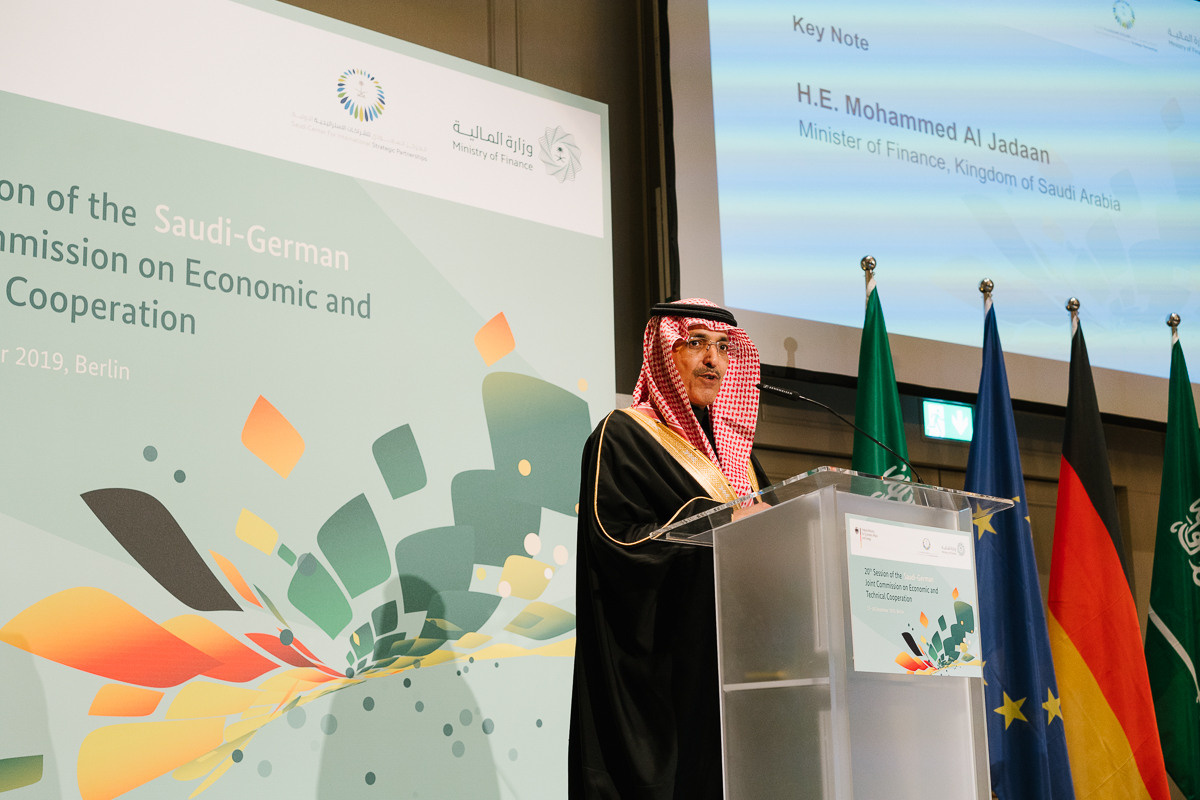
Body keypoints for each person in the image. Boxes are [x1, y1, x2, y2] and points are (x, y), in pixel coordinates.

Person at [568, 298, 769, 799]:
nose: (713, 361)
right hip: (660, 683)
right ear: (663, 353)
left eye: (724, 348)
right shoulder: (622, 436)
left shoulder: (739, 462)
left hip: (736, 680)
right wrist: (721, 519)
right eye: (696, 343)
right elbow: (614, 543)